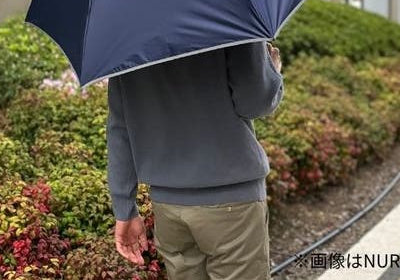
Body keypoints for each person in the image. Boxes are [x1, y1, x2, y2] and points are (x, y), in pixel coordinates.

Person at [106, 40, 284, 280]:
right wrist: (272, 70)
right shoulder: (229, 20)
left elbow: (120, 127)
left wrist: (124, 209)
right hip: (232, 201)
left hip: (168, 208)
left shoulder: (124, 35)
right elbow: (255, 102)